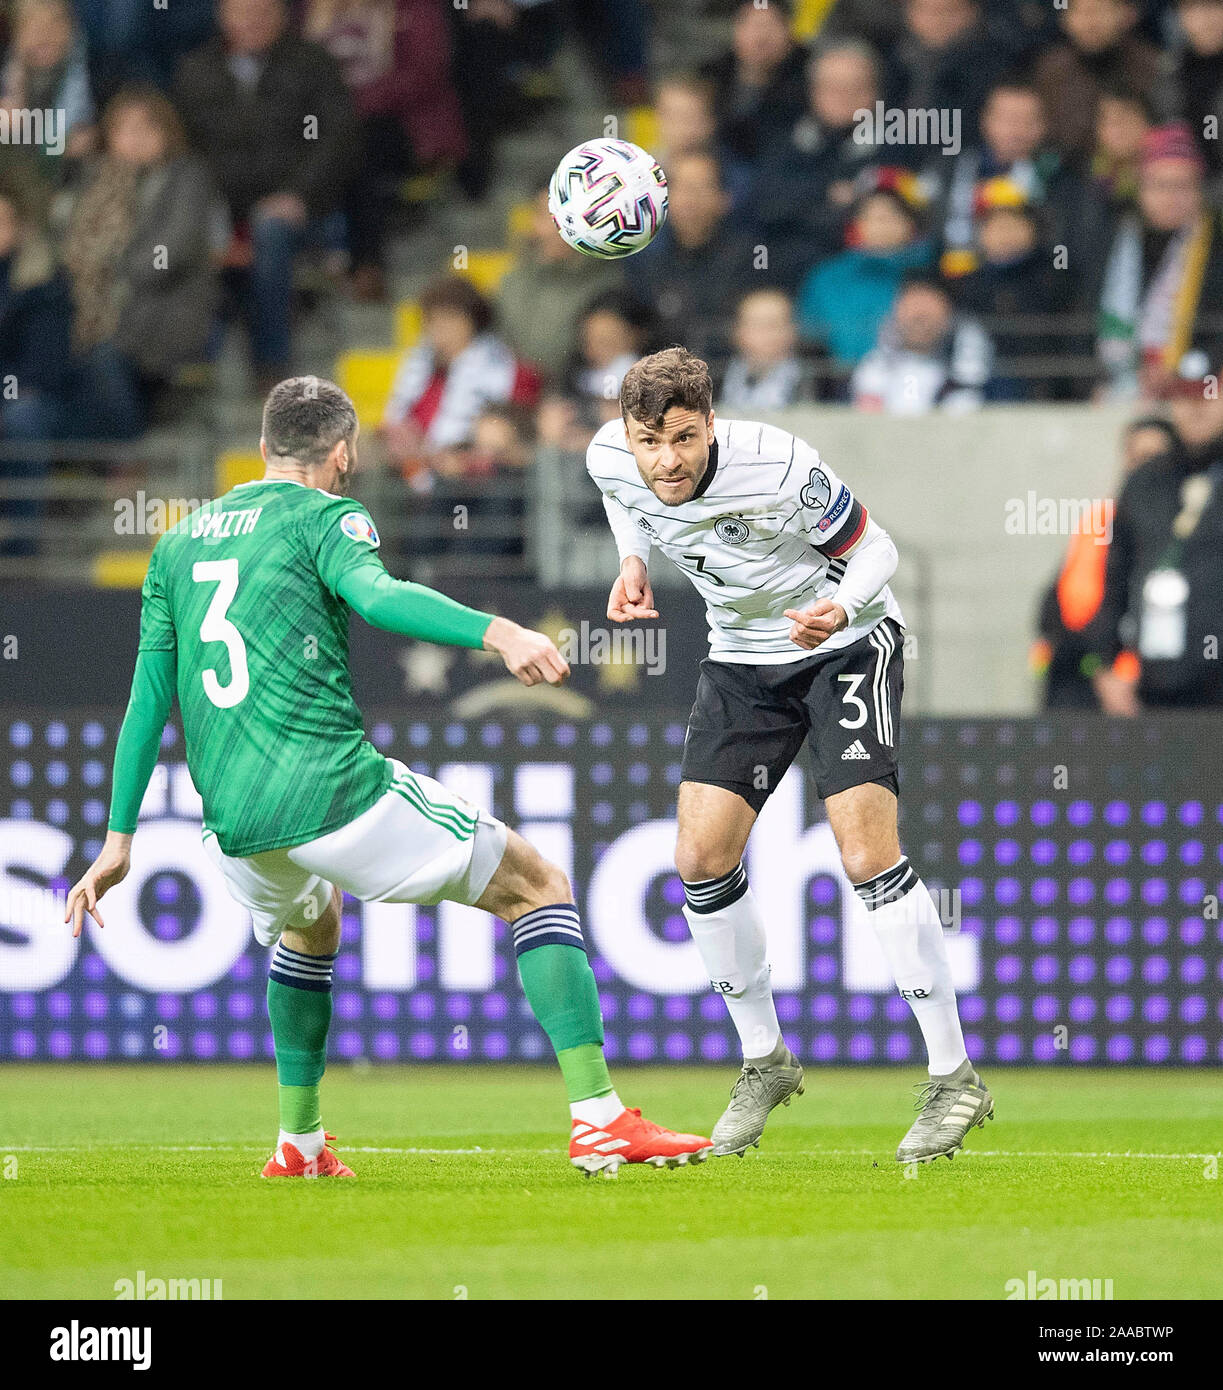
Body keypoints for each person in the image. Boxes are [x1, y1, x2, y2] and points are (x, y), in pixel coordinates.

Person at [64, 376, 712, 1179]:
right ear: (343, 453)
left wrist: (117, 837)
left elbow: (145, 702)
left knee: (311, 925)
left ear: (263, 448)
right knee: (537, 886)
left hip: (230, 819)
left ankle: (298, 1144)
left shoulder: (178, 541)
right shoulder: (329, 514)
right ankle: (600, 1120)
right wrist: (497, 630)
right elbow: (376, 595)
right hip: (330, 790)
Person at [586, 346, 992, 1163]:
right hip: (739, 657)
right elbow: (624, 497)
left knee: (863, 854)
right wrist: (631, 558)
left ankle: (954, 1078)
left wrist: (840, 608)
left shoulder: (778, 466)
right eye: (648, 441)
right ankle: (764, 1060)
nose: (664, 460)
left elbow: (878, 551)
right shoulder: (607, 456)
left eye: (683, 438)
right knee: (698, 858)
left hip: (845, 644)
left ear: (711, 422)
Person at [174, 0, 358, 388]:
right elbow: (185, 153)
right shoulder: (195, 70)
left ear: (281, 14)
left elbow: (338, 138)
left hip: (308, 211)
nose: (251, 19)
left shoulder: (312, 63)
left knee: (269, 227)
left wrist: (298, 195)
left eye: (262, 10)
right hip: (221, 209)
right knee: (179, 234)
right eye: (241, 10)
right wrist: (212, 217)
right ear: (221, 15)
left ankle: (270, 364)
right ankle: (183, 370)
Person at [61, 85, 220, 427]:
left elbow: (166, 257)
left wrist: (113, 267)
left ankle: (129, 453)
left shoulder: (187, 178)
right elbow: (67, 244)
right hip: (100, 312)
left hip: (164, 313)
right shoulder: (95, 181)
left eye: (146, 128)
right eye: (124, 129)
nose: (134, 139)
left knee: (104, 352)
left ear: (167, 133)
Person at [1088, 365, 1223, 711]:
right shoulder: (1146, 481)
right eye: (1185, 395)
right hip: (1158, 685)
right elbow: (1114, 578)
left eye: (1208, 394)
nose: (1196, 406)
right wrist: (1104, 667)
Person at [1032, 415, 1180, 708]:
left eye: (1155, 458)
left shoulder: (1193, 526)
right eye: (1137, 457)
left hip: (1167, 687)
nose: (1145, 468)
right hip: (1095, 684)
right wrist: (1105, 672)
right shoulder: (1103, 522)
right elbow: (1079, 609)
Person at [382, 275, 540, 484]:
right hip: (413, 475)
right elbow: (396, 423)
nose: (439, 329)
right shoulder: (422, 372)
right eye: (432, 320)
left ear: (473, 322)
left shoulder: (512, 372)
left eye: (449, 318)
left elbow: (512, 441)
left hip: (479, 483)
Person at [795, 173, 932, 368]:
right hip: (838, 385)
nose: (881, 225)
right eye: (871, 216)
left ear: (910, 224)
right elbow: (808, 338)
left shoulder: (930, 274)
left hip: (914, 383)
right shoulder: (827, 277)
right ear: (857, 224)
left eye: (890, 216)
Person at [495, 187, 622, 385]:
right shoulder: (513, 281)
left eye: (555, 218)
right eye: (540, 215)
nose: (541, 229)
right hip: (511, 402)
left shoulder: (611, 288)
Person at [1030, 0, 1160, 161]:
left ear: (1125, 14)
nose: (1090, 23)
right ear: (1065, 19)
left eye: (1100, 11)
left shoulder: (1151, 67)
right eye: (1080, 11)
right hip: (1067, 175)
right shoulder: (1051, 71)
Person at [852, 275, 993, 413]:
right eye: (912, 305)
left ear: (948, 313)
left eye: (929, 306)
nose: (919, 315)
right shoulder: (873, 368)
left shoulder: (973, 365)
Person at [719, 287, 803, 412]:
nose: (767, 334)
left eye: (774, 324)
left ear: (792, 331)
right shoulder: (714, 376)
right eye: (757, 325)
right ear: (738, 332)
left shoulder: (814, 382)